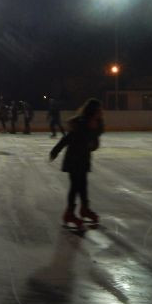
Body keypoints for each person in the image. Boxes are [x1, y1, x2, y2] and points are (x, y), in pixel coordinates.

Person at [49, 98, 105, 231]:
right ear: (93, 111)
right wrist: (55, 151)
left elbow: (93, 143)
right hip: (73, 159)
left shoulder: (97, 124)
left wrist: (93, 144)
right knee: (75, 186)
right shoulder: (81, 123)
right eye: (99, 110)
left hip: (84, 158)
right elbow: (67, 139)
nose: (101, 112)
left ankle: (84, 209)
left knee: (83, 185)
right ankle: (69, 213)